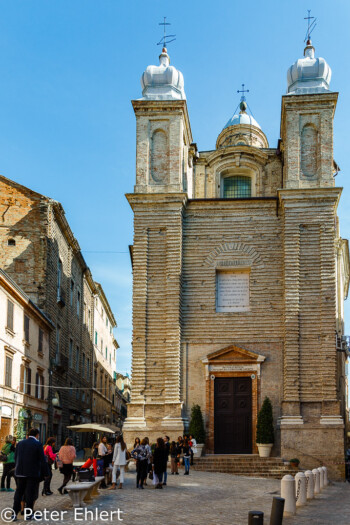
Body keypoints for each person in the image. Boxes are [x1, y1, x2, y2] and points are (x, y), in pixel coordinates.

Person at [11, 428, 47, 521]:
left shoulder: (20, 443)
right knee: (29, 494)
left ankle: (14, 513)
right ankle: (29, 515)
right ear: (37, 435)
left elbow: (16, 457)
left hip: (20, 472)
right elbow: (42, 460)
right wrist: (46, 473)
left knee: (19, 493)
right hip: (32, 473)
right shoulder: (38, 444)